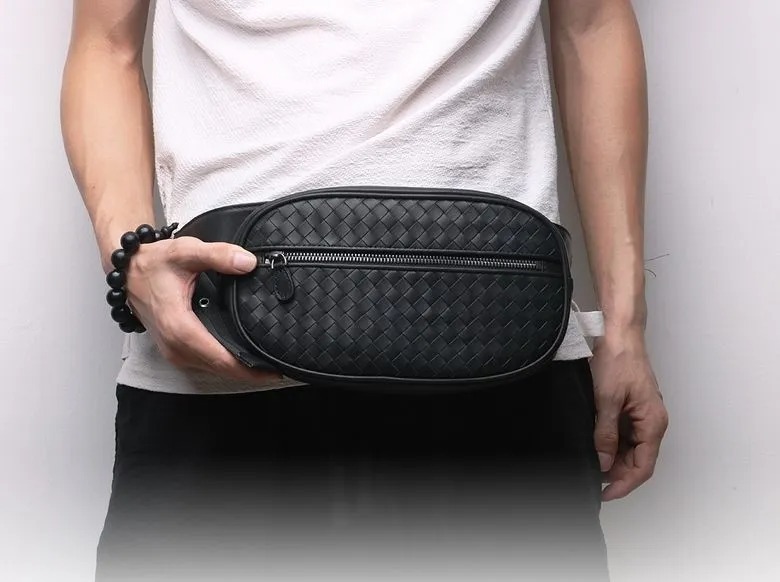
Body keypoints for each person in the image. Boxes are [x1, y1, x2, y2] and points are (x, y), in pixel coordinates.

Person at [61, 1, 669, 580]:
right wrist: (132, 261)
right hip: (213, 350)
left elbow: (593, 26)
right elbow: (105, 45)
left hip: (503, 359)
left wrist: (624, 328)